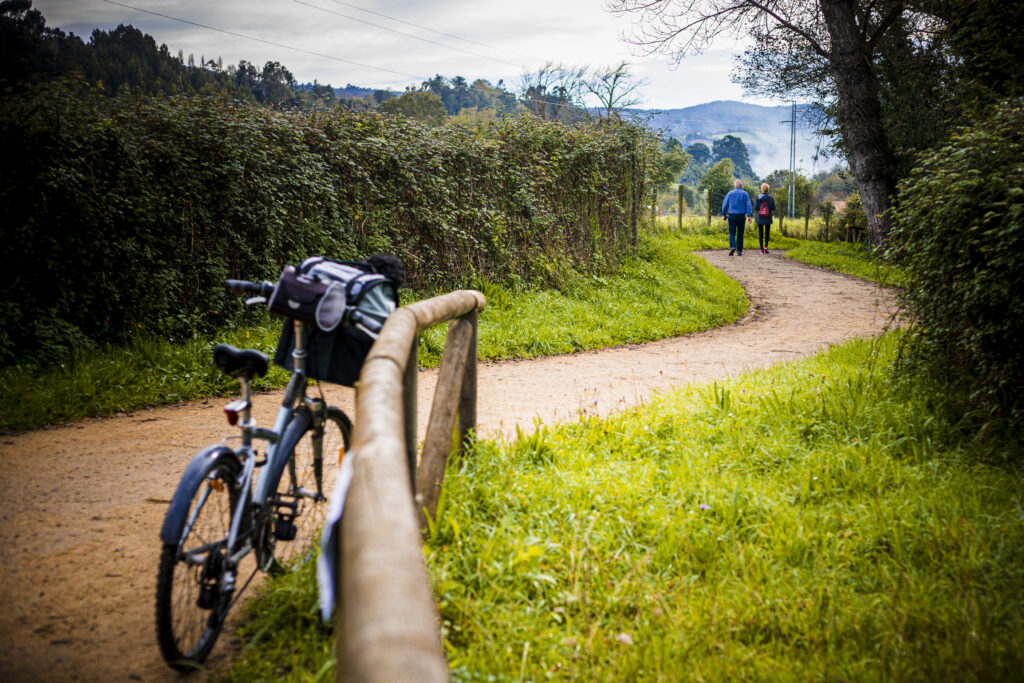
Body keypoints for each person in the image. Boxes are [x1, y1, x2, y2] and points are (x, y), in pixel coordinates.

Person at [720, 179, 753, 256]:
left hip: (732, 215)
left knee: (732, 232)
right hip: (741, 216)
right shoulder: (745, 194)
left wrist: (724, 214)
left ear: (734, 186)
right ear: (741, 186)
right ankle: (739, 251)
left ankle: (732, 246)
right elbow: (748, 205)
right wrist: (749, 216)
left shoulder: (730, 193)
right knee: (740, 233)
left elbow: (725, 205)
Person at [753, 183, 777, 254]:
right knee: (767, 232)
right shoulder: (770, 198)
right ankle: (766, 246)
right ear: (768, 189)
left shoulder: (758, 198)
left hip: (760, 217)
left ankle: (761, 250)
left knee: (760, 233)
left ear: (762, 189)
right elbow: (773, 208)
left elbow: (755, 208)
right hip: (768, 217)